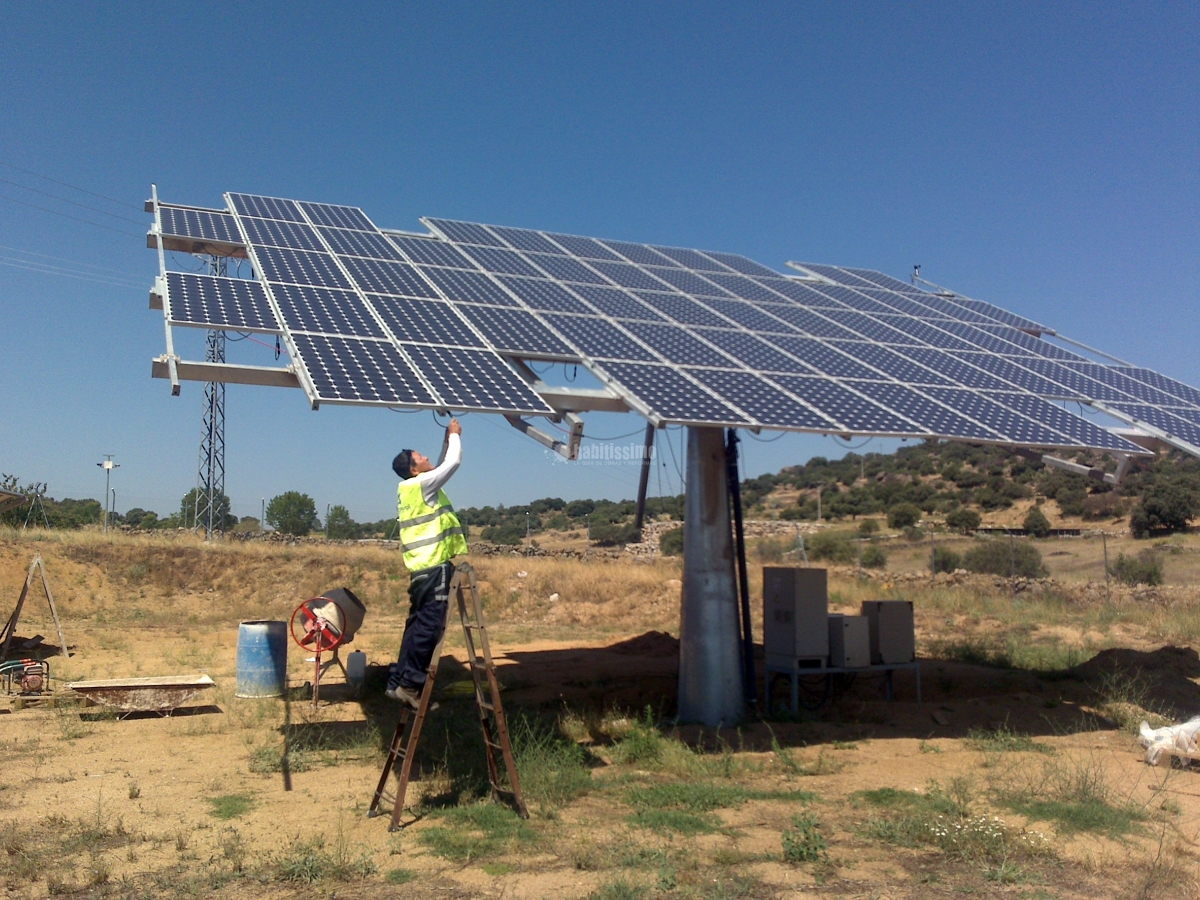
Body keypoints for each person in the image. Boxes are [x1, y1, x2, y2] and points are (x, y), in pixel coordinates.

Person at [386, 418, 468, 708]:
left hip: (419, 569)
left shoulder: (409, 488)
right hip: (434, 566)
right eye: (421, 457)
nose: (426, 457)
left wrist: (447, 437)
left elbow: (441, 463)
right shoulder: (423, 485)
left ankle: (397, 682)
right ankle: (410, 685)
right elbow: (452, 463)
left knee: (416, 625)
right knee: (429, 627)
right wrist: (455, 436)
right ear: (413, 469)